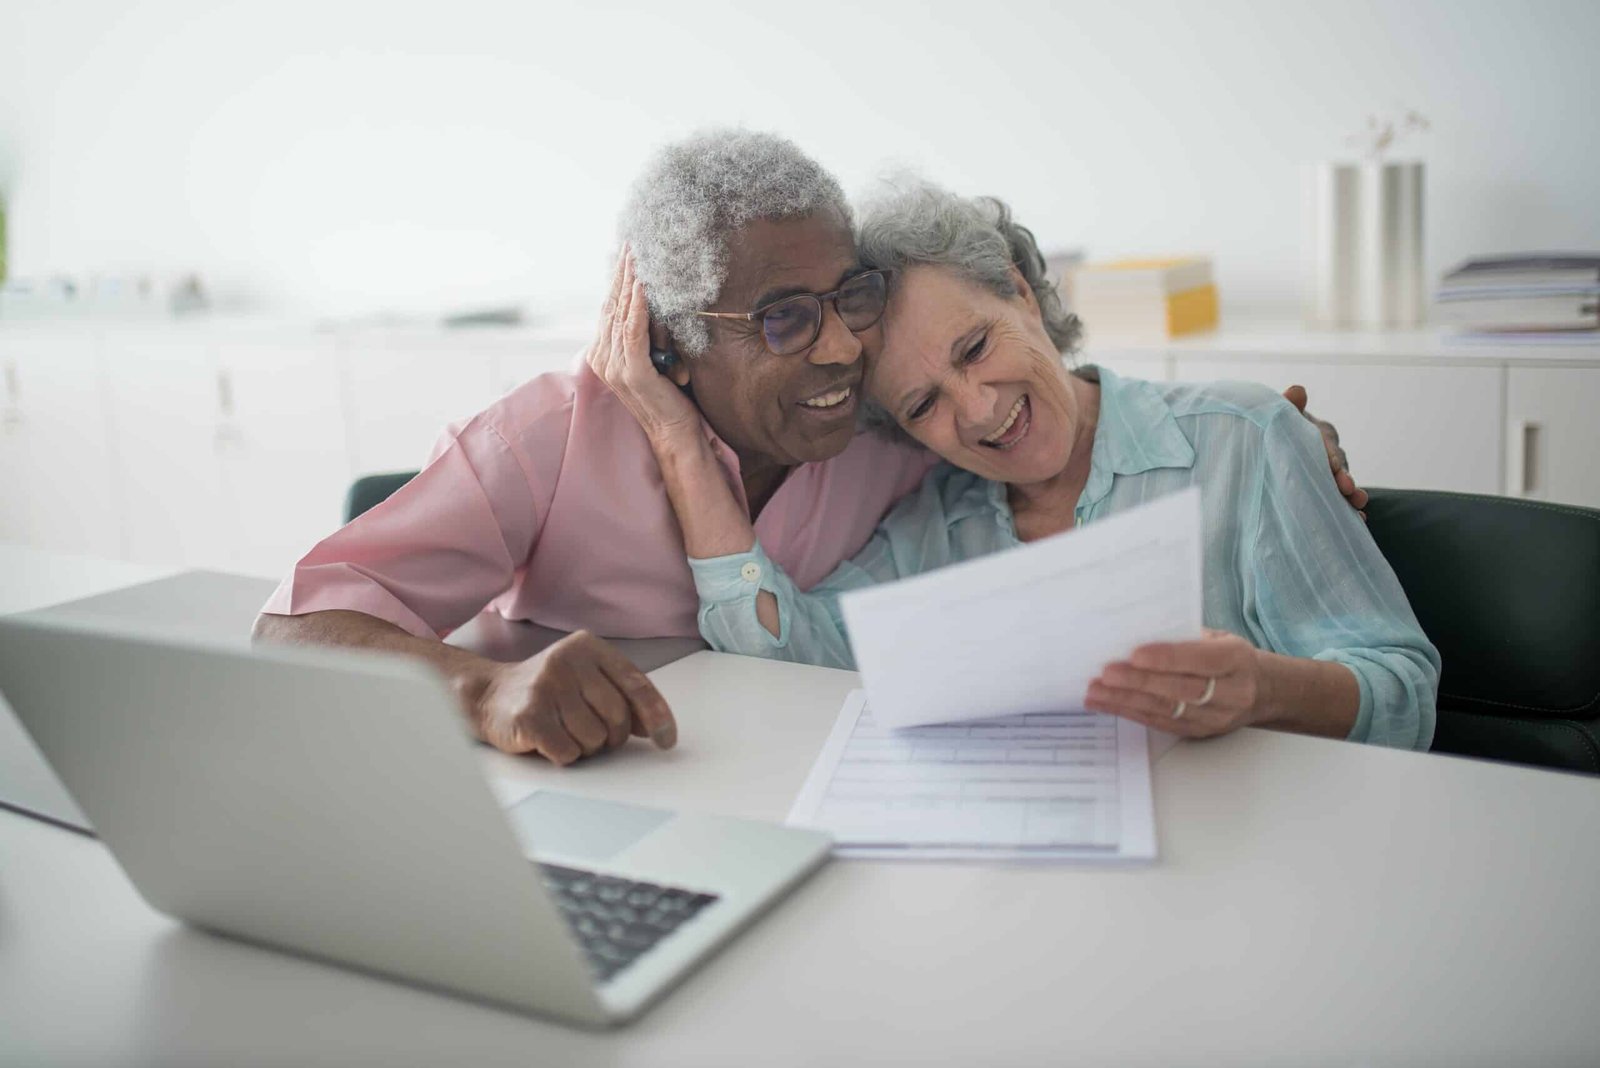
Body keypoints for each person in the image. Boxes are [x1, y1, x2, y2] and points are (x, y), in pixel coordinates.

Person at [254, 130, 1365, 765]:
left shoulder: (895, 435)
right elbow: (291, 631)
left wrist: (1275, 434)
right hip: (565, 807)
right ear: (675, 344)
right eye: (785, 318)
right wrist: (482, 691)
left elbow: (1048, 421)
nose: (841, 347)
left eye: (851, 298)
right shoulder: (550, 438)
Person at [592, 182, 1438, 750]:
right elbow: (781, 665)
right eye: (923, 406)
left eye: (974, 347)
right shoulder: (936, 526)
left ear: (1020, 294)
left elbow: (1404, 692)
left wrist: (1262, 689)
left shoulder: (1243, 439)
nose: (979, 410)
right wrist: (677, 440)